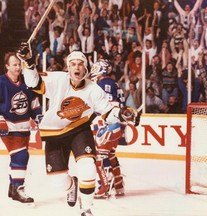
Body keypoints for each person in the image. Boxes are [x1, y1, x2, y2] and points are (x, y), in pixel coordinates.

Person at [17, 43, 139, 216]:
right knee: (58, 181)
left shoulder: (94, 89)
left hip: (79, 129)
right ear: (68, 68)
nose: (77, 67)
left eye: (80, 64)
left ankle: (86, 208)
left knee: (88, 166)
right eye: (73, 63)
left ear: (85, 68)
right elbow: (33, 82)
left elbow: (107, 111)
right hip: (54, 133)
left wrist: (122, 114)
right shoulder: (58, 79)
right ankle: (72, 186)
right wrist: (28, 61)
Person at [0, 52, 42, 205]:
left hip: (24, 129)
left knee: (18, 158)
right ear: (7, 66)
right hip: (7, 128)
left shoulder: (27, 83)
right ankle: (18, 188)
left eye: (19, 64)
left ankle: (12, 186)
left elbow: (34, 106)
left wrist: (40, 119)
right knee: (21, 156)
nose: (17, 67)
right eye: (14, 64)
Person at [90, 59, 137, 198]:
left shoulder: (104, 83)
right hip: (118, 125)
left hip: (111, 124)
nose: (93, 70)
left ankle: (104, 186)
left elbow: (110, 106)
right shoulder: (113, 83)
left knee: (99, 155)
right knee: (110, 153)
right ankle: (118, 185)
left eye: (96, 67)